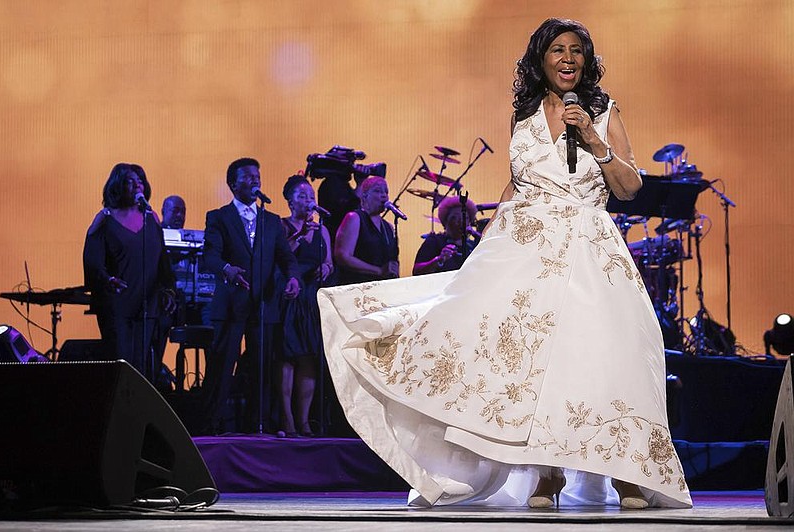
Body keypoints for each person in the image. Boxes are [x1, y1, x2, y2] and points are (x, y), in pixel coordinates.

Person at [317, 18, 691, 509]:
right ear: (541, 58)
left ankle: (623, 471)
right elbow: (516, 185)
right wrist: (485, 250)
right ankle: (546, 472)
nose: (568, 58)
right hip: (527, 247)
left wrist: (595, 142)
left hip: (587, 243)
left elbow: (629, 186)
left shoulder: (603, 112)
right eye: (558, 49)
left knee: (604, 351)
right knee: (529, 359)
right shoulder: (523, 116)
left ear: (587, 61)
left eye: (577, 50)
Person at [202, 157, 300, 434]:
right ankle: (212, 426)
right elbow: (209, 255)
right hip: (231, 304)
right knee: (222, 366)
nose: (254, 180)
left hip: (263, 304)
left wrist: (293, 278)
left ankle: (260, 425)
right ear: (233, 184)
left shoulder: (271, 220)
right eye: (247, 176)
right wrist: (226, 269)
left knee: (263, 368)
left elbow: (286, 257)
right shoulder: (219, 217)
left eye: (257, 175)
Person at [83, 163, 176, 383]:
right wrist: (106, 279)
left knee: (144, 366)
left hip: (148, 303)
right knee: (122, 365)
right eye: (130, 181)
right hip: (118, 303)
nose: (137, 185)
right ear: (117, 185)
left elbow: (162, 260)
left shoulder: (151, 218)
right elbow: (92, 259)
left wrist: (170, 290)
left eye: (140, 180)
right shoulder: (106, 218)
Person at [276, 175, 334, 437]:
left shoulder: (321, 230)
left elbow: (330, 262)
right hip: (289, 297)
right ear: (289, 201)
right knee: (288, 358)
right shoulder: (281, 225)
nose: (308, 201)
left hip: (311, 299)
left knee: (309, 359)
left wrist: (325, 266)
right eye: (302, 196)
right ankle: (286, 419)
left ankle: (304, 420)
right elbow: (279, 256)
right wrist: (299, 236)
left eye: (311, 196)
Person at [333, 176, 399, 285]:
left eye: (386, 192)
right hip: (357, 286)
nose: (384, 195)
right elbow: (343, 256)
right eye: (378, 191)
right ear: (365, 196)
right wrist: (378, 271)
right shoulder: (354, 218)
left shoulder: (388, 227)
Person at [413, 196, 479, 275]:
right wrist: (439, 260)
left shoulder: (472, 246)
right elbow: (416, 271)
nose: (460, 221)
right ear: (445, 222)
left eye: (465, 217)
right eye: (455, 217)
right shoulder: (434, 241)